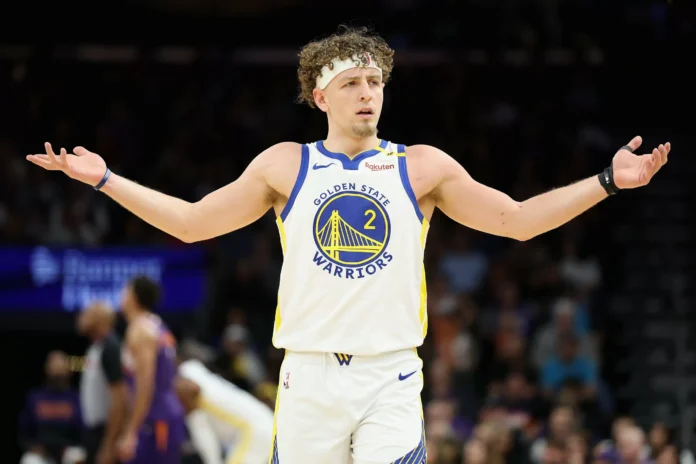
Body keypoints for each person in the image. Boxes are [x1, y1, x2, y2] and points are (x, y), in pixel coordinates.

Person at [26, 26, 671, 464]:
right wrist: (105, 179)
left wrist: (609, 181)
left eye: (376, 81)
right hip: (307, 375)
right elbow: (192, 223)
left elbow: (518, 220)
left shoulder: (420, 165)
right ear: (321, 95)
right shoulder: (286, 165)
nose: (368, 93)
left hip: (390, 374)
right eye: (354, 83)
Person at [118, 276, 186, 463]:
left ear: (133, 296)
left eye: (125, 290)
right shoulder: (157, 324)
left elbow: (145, 384)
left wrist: (131, 430)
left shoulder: (140, 331)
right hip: (165, 413)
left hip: (154, 418)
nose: (121, 296)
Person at [175, 356, 274, 464]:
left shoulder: (196, 407)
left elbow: (209, 450)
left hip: (254, 433)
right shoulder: (192, 371)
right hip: (262, 421)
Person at [77, 301, 128, 464]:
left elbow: (119, 400)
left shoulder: (111, 348)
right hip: (93, 431)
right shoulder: (96, 347)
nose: (82, 318)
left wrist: (109, 445)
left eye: (88, 314)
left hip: (105, 432)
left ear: (101, 320)